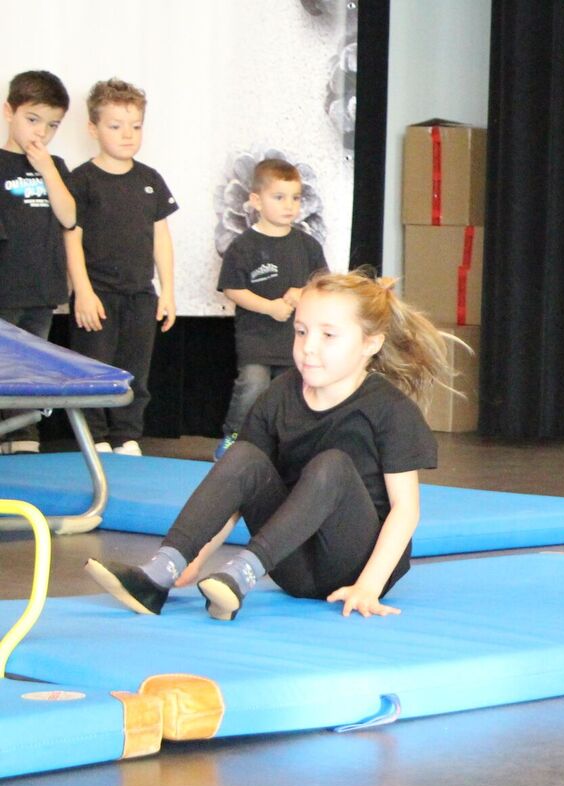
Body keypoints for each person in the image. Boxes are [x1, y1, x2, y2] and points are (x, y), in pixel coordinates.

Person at [84, 270, 457, 620]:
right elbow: (236, 487)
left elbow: (405, 509)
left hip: (355, 562)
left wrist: (369, 586)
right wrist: (194, 556)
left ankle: (242, 572)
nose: (309, 348)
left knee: (333, 465)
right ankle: (160, 573)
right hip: (291, 564)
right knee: (244, 455)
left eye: (328, 336)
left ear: (370, 343)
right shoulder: (279, 394)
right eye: (301, 332)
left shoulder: (389, 408)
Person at [65, 78, 178, 455]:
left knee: (135, 371)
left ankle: (126, 436)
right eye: (115, 126)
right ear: (93, 128)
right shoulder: (81, 180)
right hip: (97, 294)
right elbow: (71, 238)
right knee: (93, 368)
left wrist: (168, 292)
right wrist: (83, 291)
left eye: (136, 126)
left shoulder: (149, 179)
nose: (127, 135)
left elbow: (161, 237)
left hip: (140, 295)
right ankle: (95, 438)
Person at [216, 158, 327, 459]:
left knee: (290, 394)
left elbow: (322, 284)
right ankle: (233, 437)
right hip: (257, 337)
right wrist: (269, 307)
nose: (289, 205)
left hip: (295, 340)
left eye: (295, 198)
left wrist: (302, 292)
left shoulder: (308, 245)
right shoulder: (243, 246)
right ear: (256, 200)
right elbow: (232, 289)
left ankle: (282, 446)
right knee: (252, 386)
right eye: (279, 197)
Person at [0, 71, 77, 454]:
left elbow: (69, 217)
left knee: (30, 368)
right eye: (32, 120)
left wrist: (47, 169)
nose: (41, 133)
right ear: (8, 111)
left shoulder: (55, 166)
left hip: (42, 290)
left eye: (52, 125)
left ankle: (24, 437)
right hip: (6, 288)